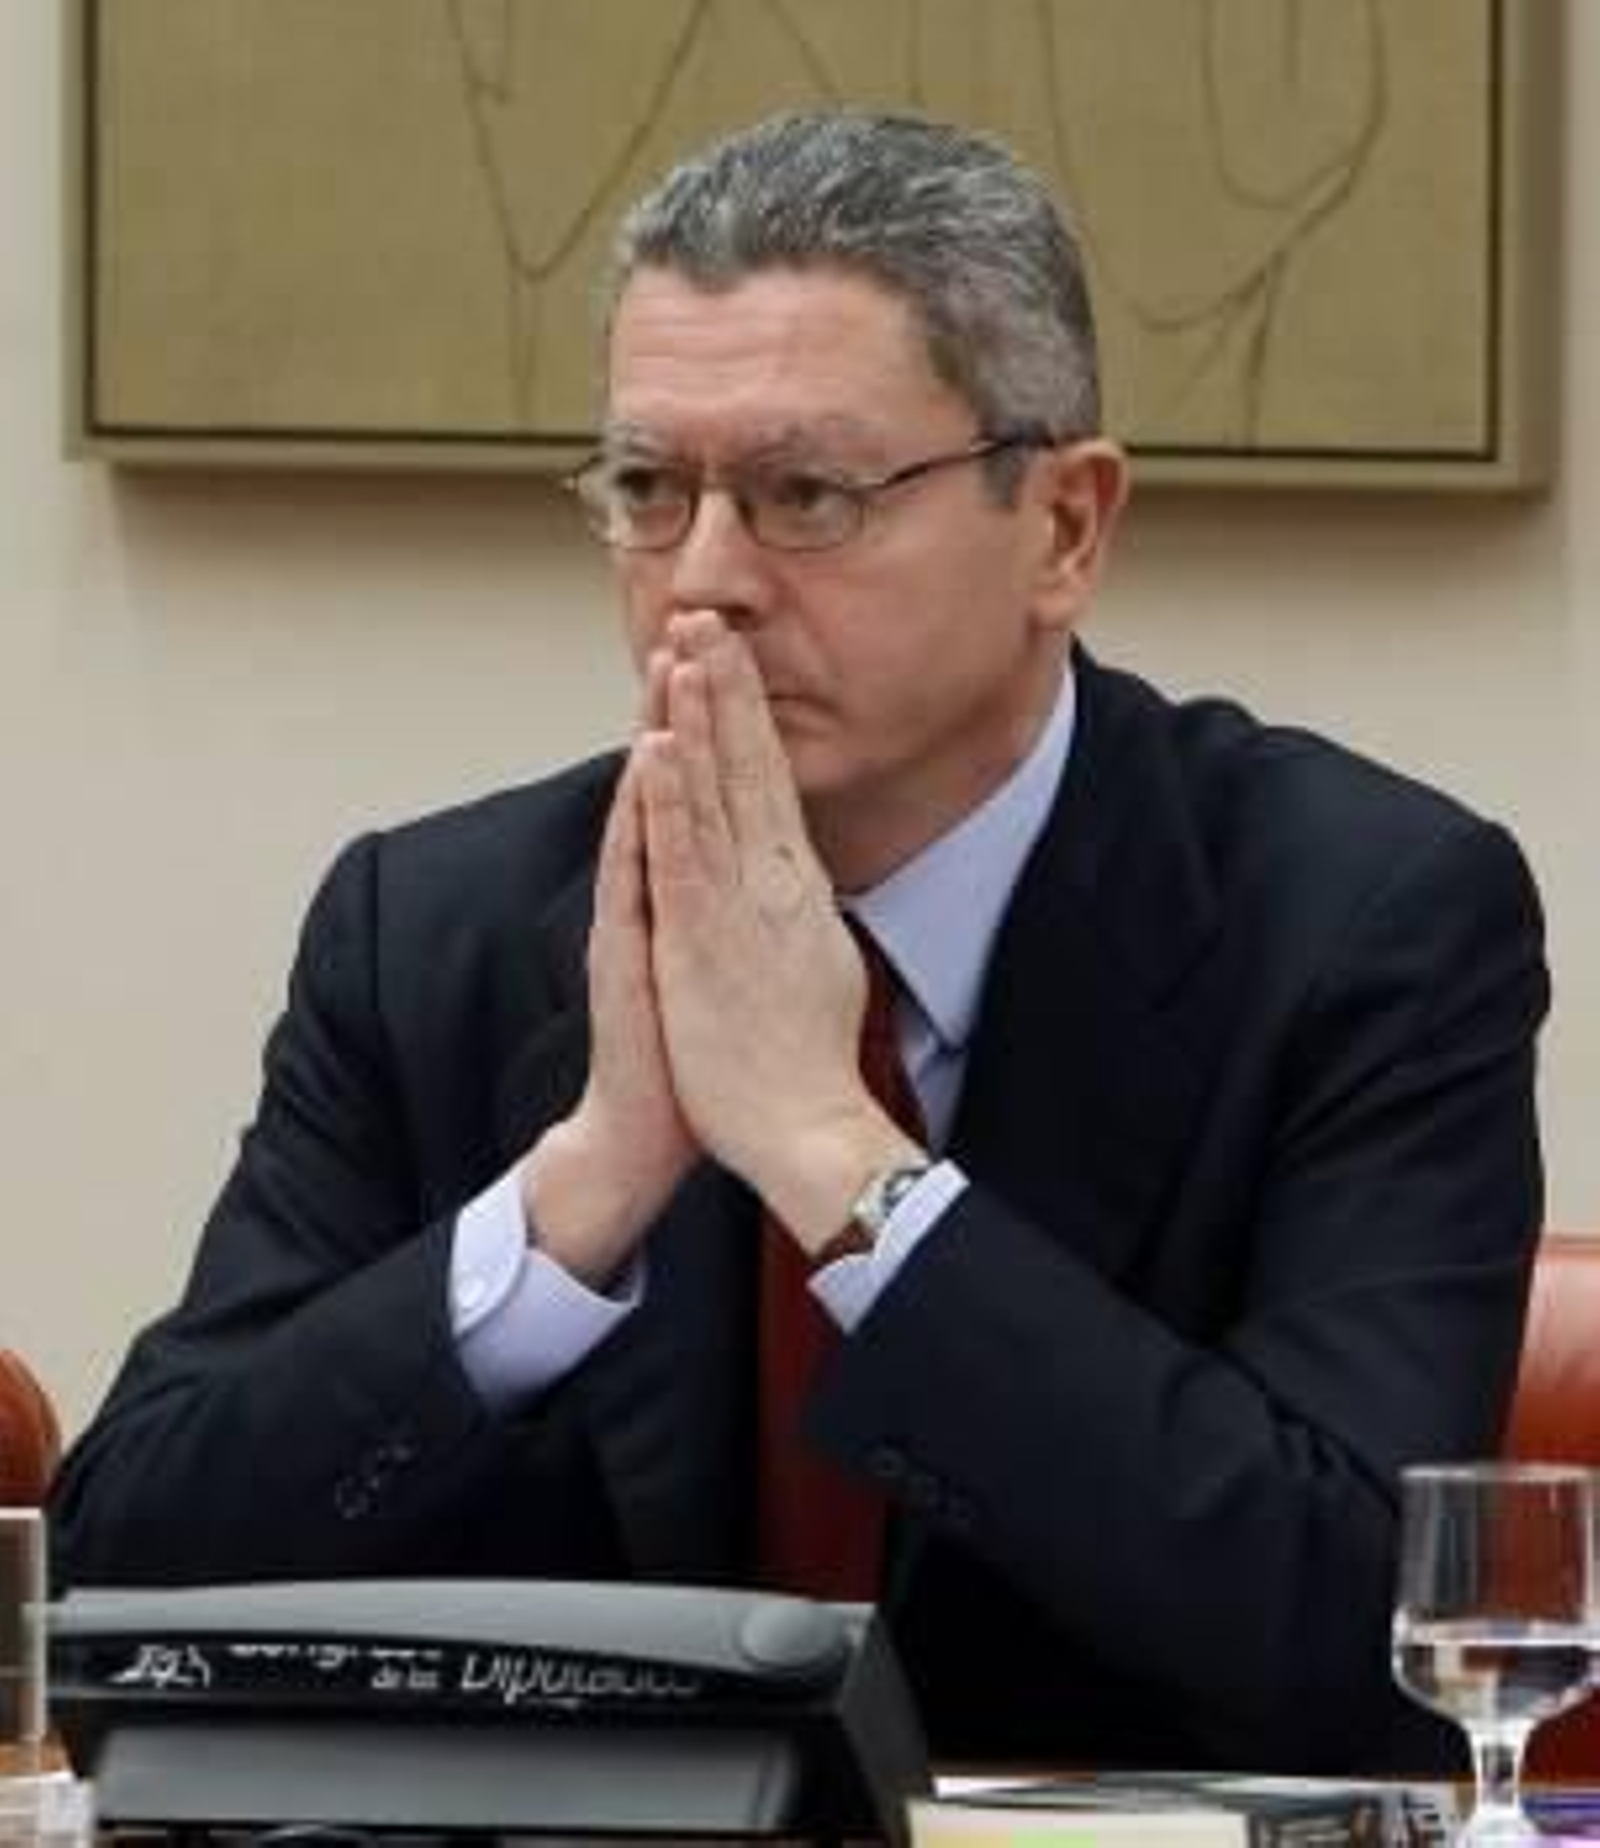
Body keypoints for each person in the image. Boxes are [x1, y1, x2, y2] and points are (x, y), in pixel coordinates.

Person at [51, 111, 1548, 1773]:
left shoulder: (1363, 923)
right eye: (646, 490)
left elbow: (1367, 1643)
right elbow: (122, 1602)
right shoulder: (438, 931)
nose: (703, 581)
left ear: (1065, 527)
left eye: (805, 496)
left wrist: (843, 1162)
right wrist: (585, 1193)